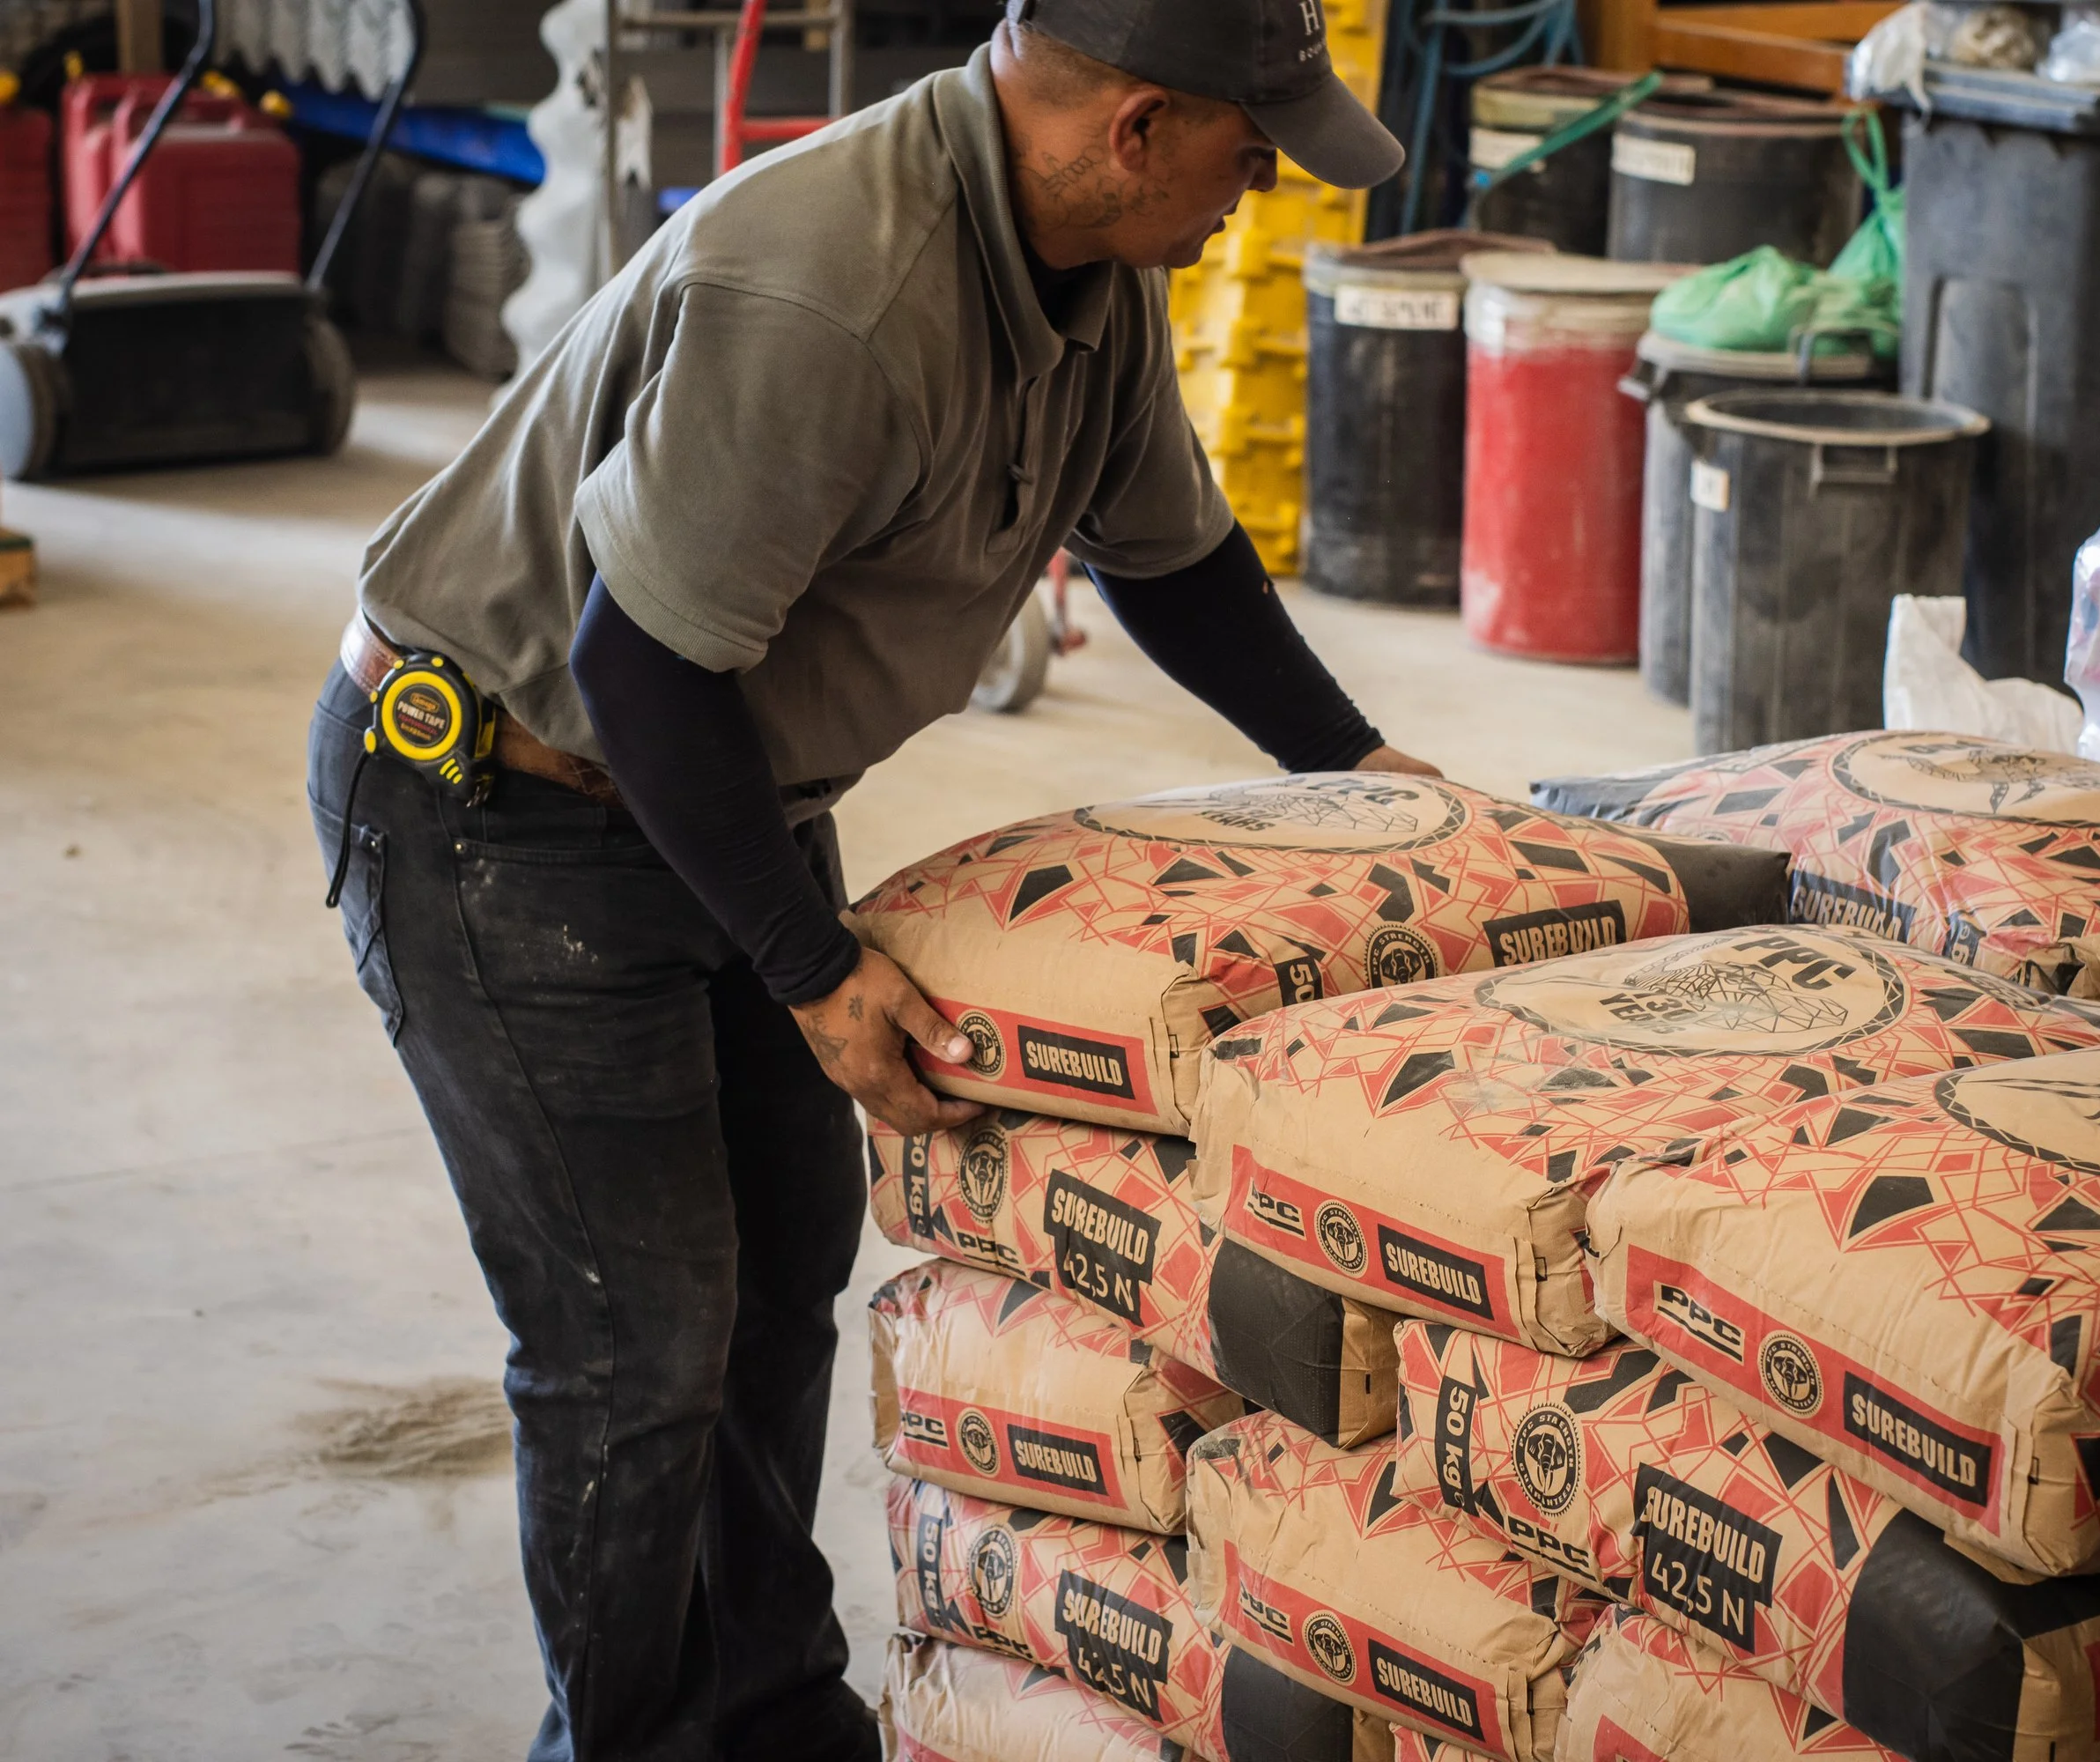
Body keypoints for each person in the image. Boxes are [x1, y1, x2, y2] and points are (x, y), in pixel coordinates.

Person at [307, 2, 1431, 1756]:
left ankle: (768, 1712)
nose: (1262, 180)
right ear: (1137, 128)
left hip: (714, 786)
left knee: (780, 1281)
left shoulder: (1091, 277)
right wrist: (810, 966)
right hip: (503, 802)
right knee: (638, 1344)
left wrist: (1360, 771)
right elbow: (637, 667)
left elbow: (1175, 563)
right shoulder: (831, 287)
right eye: (1248, 141)